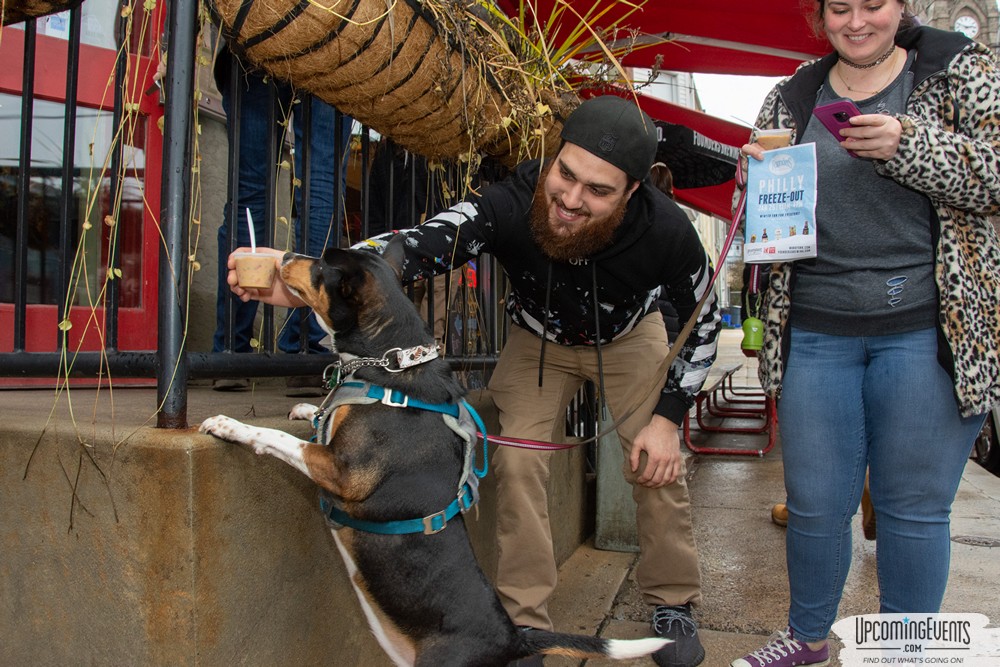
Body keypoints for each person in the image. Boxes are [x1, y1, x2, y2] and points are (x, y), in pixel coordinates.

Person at [225, 95, 722, 667]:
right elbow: (409, 247)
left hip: (632, 341)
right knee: (514, 462)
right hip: (539, 344)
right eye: (566, 174)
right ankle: (524, 625)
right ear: (555, 155)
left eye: (599, 191)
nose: (570, 200)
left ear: (632, 192)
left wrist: (667, 418)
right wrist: (300, 280)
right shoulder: (511, 202)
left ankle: (673, 602)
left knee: (655, 463)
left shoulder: (669, 232)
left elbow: (704, 320)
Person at [730, 2, 1000, 666]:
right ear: (818, 16)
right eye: (839, 8)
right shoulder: (792, 93)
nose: (857, 22)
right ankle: (806, 638)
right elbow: (766, 225)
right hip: (816, 330)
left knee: (912, 509)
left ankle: (905, 652)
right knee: (816, 504)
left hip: (924, 330)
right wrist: (752, 182)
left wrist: (910, 146)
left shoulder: (960, 70)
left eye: (872, 3)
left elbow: (994, 172)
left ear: (900, 5)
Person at [210, 44, 353, 395]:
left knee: (249, 193)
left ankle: (232, 352)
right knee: (320, 190)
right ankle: (307, 349)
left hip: (253, 32)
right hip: (333, 38)